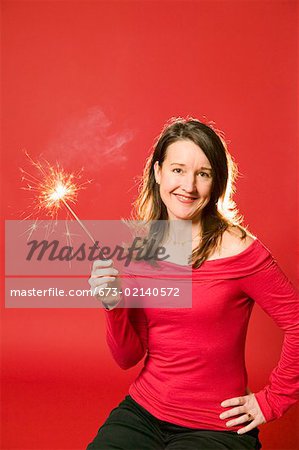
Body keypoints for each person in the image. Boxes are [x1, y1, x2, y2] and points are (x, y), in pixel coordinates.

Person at [86, 117, 299, 450]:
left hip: (216, 428)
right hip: (143, 412)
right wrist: (113, 305)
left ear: (216, 183)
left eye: (203, 174)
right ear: (157, 172)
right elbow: (128, 357)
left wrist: (273, 400)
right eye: (178, 170)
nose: (188, 186)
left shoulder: (240, 249)